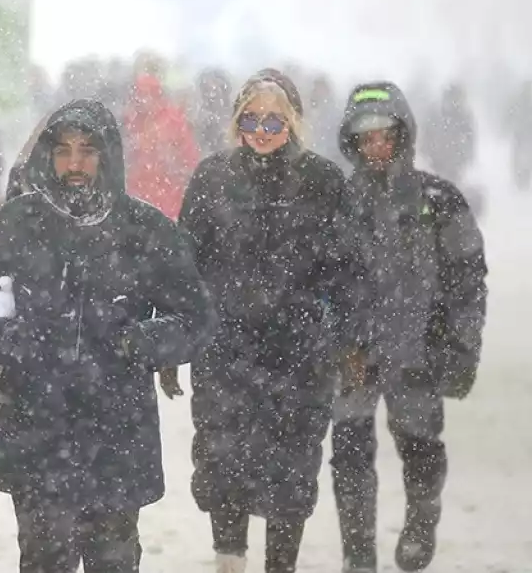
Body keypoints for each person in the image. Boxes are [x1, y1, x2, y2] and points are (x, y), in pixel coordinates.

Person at [0, 98, 215, 573]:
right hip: (37, 424)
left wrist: (145, 341)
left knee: (113, 560)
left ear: (108, 155)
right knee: (44, 558)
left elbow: (196, 316)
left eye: (87, 150)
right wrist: (10, 339)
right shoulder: (21, 221)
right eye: (63, 151)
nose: (74, 164)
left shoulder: (143, 228)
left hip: (117, 431)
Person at [175, 71, 361, 573]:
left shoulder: (323, 181)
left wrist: (349, 341)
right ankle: (229, 561)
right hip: (224, 350)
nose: (261, 130)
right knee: (222, 461)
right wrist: (175, 337)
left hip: (300, 354)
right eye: (251, 119)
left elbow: (348, 270)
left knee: (291, 469)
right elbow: (184, 263)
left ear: (293, 122)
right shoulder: (212, 177)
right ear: (236, 121)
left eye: (274, 120)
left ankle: (281, 564)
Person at [330, 82, 488, 573]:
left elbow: (468, 283)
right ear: (352, 142)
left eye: (385, 135)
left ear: (403, 135)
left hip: (419, 350)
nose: (376, 146)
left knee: (420, 447)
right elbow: (319, 280)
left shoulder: (439, 201)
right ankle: (358, 552)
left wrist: (461, 351)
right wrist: (332, 342)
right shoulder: (337, 205)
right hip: (353, 354)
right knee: (350, 453)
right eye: (366, 138)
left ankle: (422, 519)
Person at [121, 72, 201, 220]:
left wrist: (170, 163)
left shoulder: (173, 121)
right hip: (138, 196)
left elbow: (190, 161)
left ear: (155, 95)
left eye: (143, 94)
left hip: (168, 200)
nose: (138, 99)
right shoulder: (131, 120)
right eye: (136, 94)